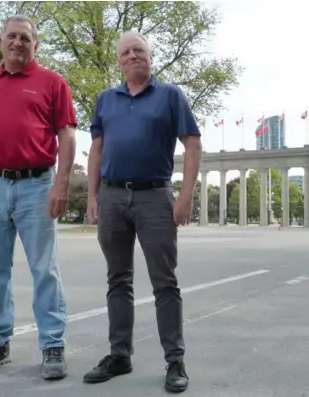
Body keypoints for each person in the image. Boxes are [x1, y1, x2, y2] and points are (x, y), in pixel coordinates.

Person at [0, 15, 77, 380]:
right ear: (0, 41)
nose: (18, 42)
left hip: (36, 184)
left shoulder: (52, 83)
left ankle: (52, 343)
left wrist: (62, 185)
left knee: (44, 268)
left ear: (35, 45)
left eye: (26, 38)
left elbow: (67, 137)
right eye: (12, 36)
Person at [83, 31, 201, 393]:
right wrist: (93, 195)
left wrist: (184, 195)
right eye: (126, 52)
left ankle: (174, 361)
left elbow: (193, 144)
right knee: (118, 279)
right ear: (119, 61)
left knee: (165, 282)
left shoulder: (170, 96)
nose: (133, 56)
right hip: (113, 197)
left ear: (150, 58)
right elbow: (97, 152)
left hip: (154, 197)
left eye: (140, 51)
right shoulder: (106, 99)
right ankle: (120, 355)